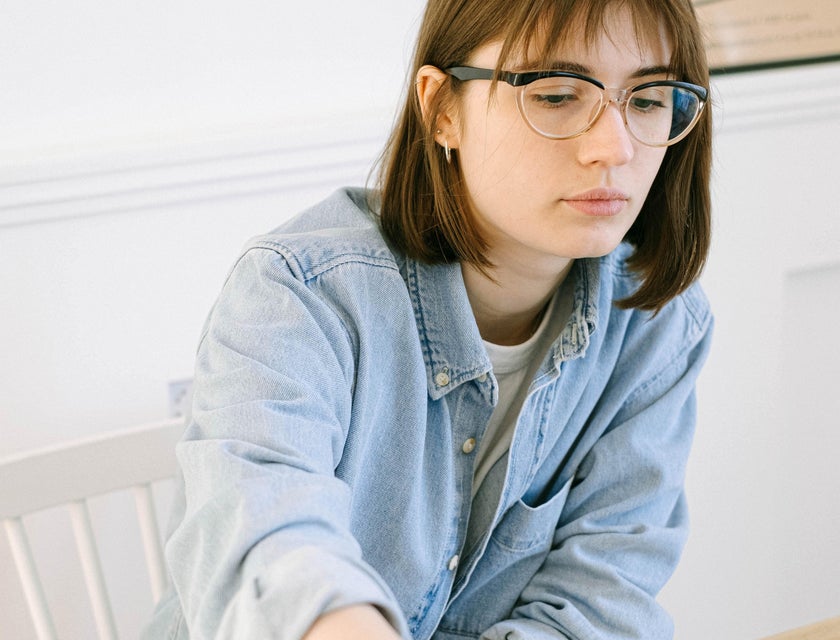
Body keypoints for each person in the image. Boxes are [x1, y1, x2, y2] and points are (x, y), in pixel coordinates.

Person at [143, 0, 713, 638]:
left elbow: (603, 597)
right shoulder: (300, 294)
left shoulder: (656, 325)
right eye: (556, 95)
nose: (615, 147)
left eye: (649, 98)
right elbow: (262, 533)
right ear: (443, 110)